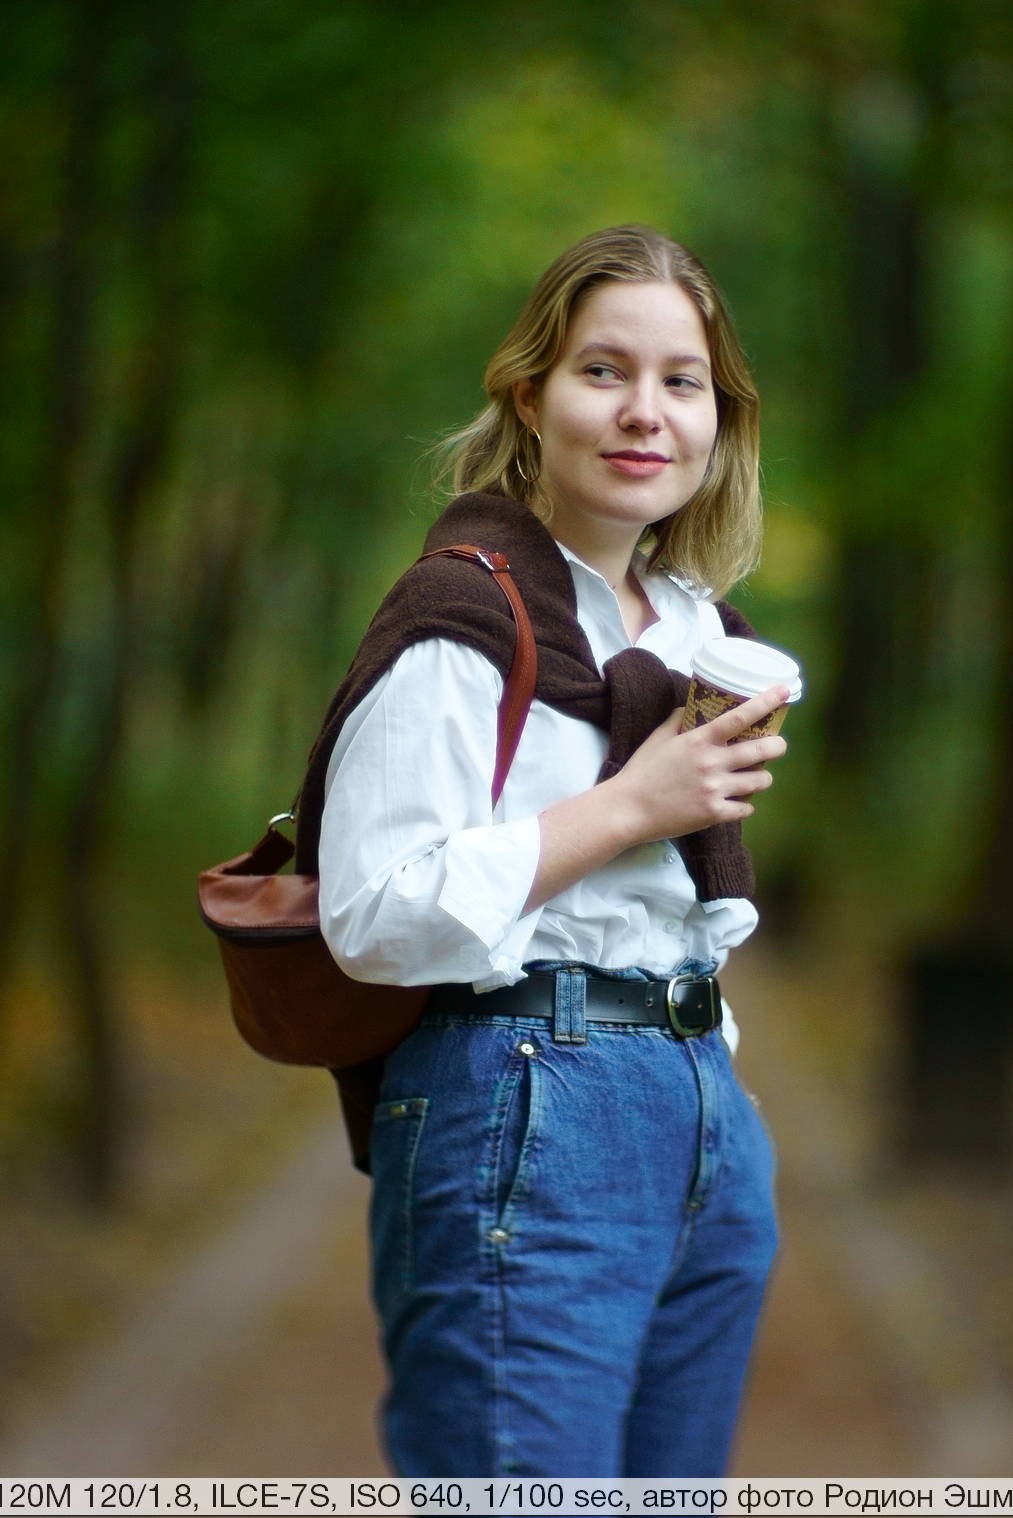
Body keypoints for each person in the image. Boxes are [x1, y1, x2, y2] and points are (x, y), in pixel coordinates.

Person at [304, 225, 790, 1478]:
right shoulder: (465, 616)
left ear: (718, 418)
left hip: (699, 1117)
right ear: (530, 395)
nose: (645, 413)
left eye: (682, 383)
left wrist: (717, 1093)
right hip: (524, 1100)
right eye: (602, 372)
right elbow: (374, 913)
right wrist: (636, 804)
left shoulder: (695, 630)